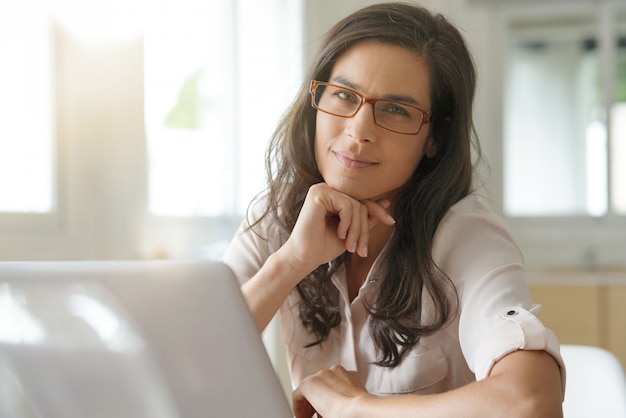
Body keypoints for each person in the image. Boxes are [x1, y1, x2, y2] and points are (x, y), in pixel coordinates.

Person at [222, 3, 565, 417]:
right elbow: (191, 363)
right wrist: (293, 260)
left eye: (395, 110)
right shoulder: (276, 216)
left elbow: (530, 401)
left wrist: (355, 407)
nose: (359, 130)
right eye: (344, 96)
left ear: (434, 137)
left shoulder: (465, 236)